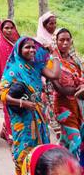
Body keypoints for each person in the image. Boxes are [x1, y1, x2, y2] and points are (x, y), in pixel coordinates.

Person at [0, 37, 61, 175]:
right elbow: (3, 96)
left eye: (33, 47)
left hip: (39, 115)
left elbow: (55, 74)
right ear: (19, 50)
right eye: (27, 47)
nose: (31, 50)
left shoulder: (37, 66)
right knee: (23, 152)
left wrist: (55, 55)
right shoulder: (13, 70)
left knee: (41, 153)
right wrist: (23, 103)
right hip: (22, 119)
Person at [50, 28, 84, 165]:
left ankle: (57, 166)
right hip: (63, 107)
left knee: (66, 141)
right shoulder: (52, 61)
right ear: (56, 41)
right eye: (61, 40)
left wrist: (81, 87)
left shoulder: (74, 60)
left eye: (67, 40)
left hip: (77, 105)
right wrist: (76, 90)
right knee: (75, 141)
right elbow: (57, 87)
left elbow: (81, 78)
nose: (65, 43)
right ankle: (72, 169)